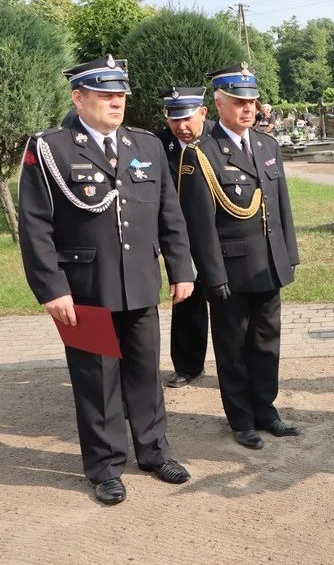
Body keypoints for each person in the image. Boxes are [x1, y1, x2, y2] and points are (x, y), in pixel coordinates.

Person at [17, 55, 194, 504]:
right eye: (105, 95)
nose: (117, 102)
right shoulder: (52, 148)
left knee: (145, 374)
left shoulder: (146, 145)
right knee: (96, 379)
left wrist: (181, 267)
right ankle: (106, 466)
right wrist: (52, 288)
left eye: (121, 95)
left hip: (138, 280)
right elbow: (35, 225)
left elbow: (167, 212)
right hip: (85, 287)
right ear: (79, 98)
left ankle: (154, 452)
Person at [178, 62, 300, 449]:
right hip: (230, 269)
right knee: (233, 347)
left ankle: (266, 409)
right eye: (238, 102)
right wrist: (213, 277)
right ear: (218, 104)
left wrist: (288, 256)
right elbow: (199, 225)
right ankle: (241, 418)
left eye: (251, 102)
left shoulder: (267, 146)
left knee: (267, 342)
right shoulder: (202, 154)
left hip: (269, 264)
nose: (248, 109)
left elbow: (281, 208)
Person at [156, 87, 215, 388]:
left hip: (218, 237)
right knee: (186, 301)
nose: (180, 127)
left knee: (228, 302)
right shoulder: (158, 145)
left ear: (203, 113)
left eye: (187, 118)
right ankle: (189, 365)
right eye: (173, 119)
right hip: (180, 238)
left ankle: (238, 364)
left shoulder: (219, 139)